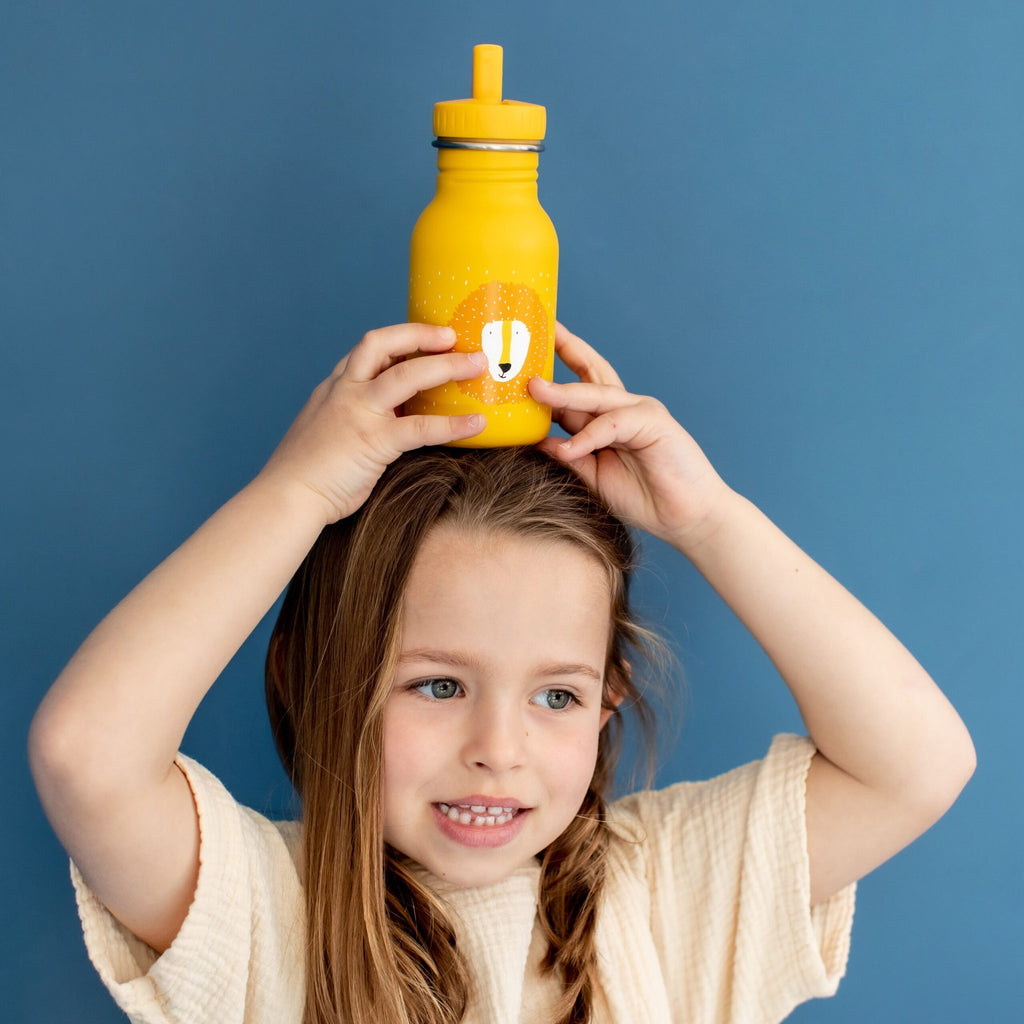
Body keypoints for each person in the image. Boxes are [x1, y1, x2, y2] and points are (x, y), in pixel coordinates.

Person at [29, 321, 975, 1024]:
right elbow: (87, 758)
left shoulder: (661, 896)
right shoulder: (262, 915)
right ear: (318, 679)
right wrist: (298, 491)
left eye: (556, 695)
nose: (498, 751)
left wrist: (709, 519)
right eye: (438, 685)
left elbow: (917, 765)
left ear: (607, 705)